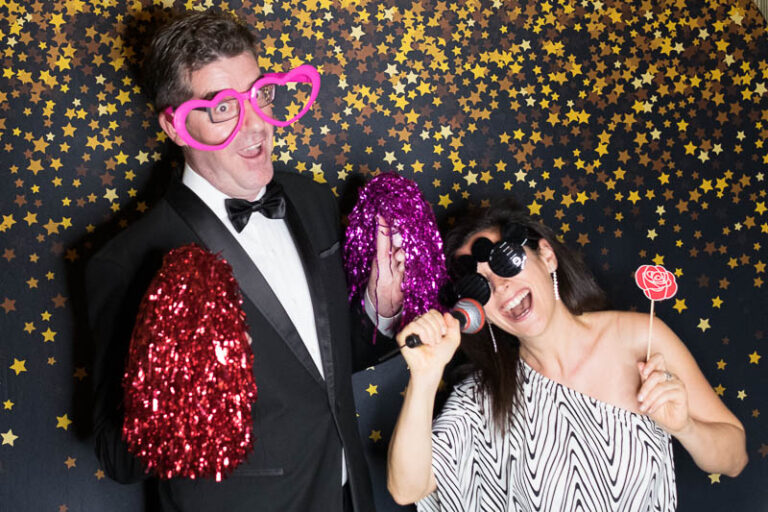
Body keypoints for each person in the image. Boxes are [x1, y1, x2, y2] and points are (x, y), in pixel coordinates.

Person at [86, 10, 401, 512]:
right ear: (175, 125)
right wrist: (174, 382)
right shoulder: (127, 262)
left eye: (261, 94)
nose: (257, 125)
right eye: (222, 109)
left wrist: (378, 312)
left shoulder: (311, 201)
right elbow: (117, 459)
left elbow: (320, 374)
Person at [386, 200, 747, 511]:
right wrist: (425, 377)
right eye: (480, 287)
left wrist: (684, 427)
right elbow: (407, 489)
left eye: (508, 262)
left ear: (547, 256)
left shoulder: (642, 338)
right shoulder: (484, 396)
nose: (502, 289)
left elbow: (734, 458)